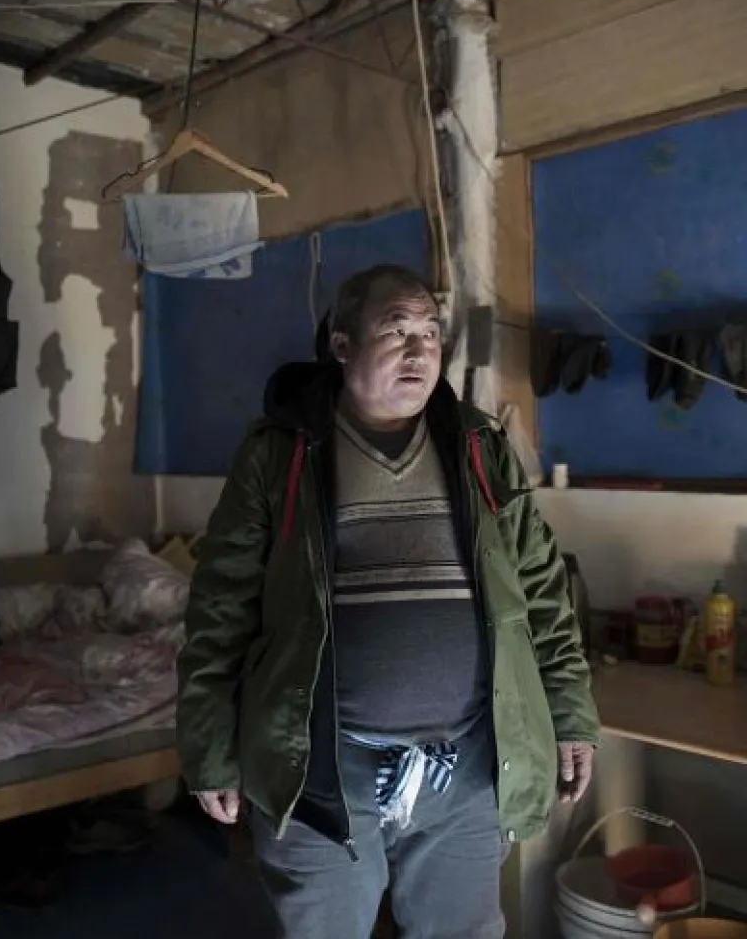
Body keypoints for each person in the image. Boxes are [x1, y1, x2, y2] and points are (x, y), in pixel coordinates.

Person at [176, 265, 598, 939]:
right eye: (395, 330)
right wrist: (209, 748)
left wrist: (572, 714)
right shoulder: (279, 454)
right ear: (341, 346)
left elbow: (542, 592)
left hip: (467, 768)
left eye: (430, 333)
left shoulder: (479, 446)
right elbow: (219, 610)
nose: (418, 350)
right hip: (320, 771)